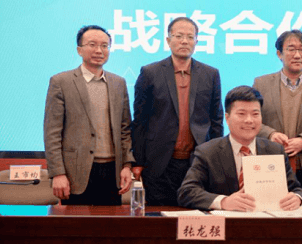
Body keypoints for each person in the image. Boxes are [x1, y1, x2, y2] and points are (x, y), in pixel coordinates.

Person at [131, 16, 223, 206]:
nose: (184, 41)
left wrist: (215, 159)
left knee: (196, 213)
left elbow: (216, 120)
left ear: (196, 41)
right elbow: (140, 121)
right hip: (159, 162)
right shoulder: (150, 73)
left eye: (190, 37)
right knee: (159, 216)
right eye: (179, 36)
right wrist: (137, 161)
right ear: (168, 40)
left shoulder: (210, 74)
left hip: (197, 161)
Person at [43, 25, 134, 205]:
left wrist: (127, 165)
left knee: (111, 222)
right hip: (76, 172)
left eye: (104, 46)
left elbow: (125, 129)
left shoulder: (118, 83)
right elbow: (52, 133)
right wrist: (58, 173)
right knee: (76, 222)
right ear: (79, 50)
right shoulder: (61, 82)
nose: (99, 50)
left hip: (112, 171)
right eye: (92, 45)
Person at [177, 86, 302, 211]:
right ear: (227, 118)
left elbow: (296, 189)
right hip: (227, 222)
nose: (249, 120)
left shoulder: (275, 151)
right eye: (241, 114)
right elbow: (186, 192)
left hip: (266, 222)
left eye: (255, 114)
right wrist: (224, 202)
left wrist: (297, 198)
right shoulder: (208, 152)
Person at [252, 30, 302, 207]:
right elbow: (252, 119)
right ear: (279, 54)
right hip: (269, 167)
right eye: (291, 49)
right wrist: (271, 135)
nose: (297, 55)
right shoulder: (261, 84)